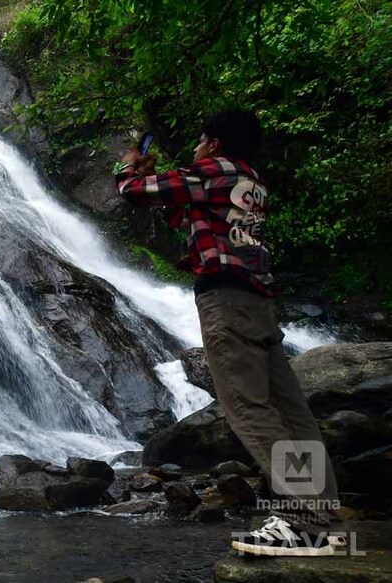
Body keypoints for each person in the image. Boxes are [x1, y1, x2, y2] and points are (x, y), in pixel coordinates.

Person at [116, 109, 343, 557]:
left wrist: (128, 165)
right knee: (290, 411)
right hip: (259, 301)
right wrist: (164, 184)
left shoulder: (212, 170)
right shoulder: (250, 181)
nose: (196, 150)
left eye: (200, 142)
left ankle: (303, 521)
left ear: (214, 145)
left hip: (226, 301)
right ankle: (321, 514)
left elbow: (134, 192)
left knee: (248, 408)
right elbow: (189, 215)